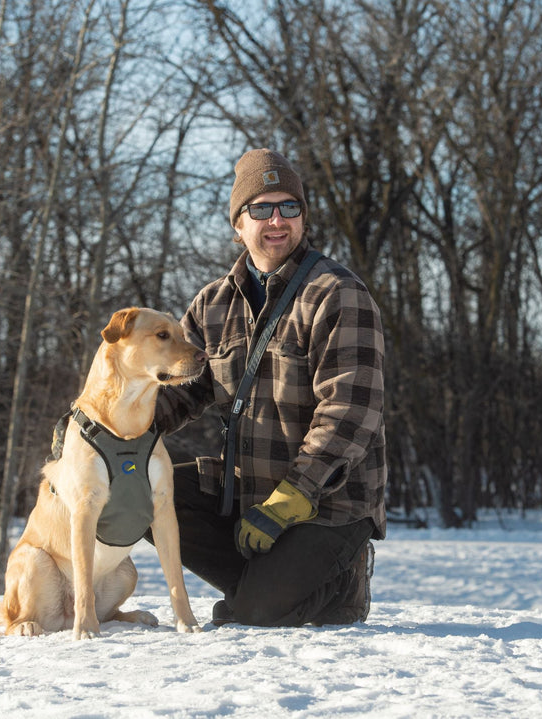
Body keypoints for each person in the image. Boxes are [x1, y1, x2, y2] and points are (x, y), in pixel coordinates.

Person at [153, 148, 387, 627]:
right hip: (246, 491)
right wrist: (97, 428)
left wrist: (294, 495)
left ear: (303, 217)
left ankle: (336, 582)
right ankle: (267, 584)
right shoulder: (213, 304)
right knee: (143, 494)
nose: (277, 221)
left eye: (289, 207)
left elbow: (349, 412)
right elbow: (174, 391)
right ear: (238, 224)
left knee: (253, 615)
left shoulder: (337, 293)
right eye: (261, 209)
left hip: (327, 503)